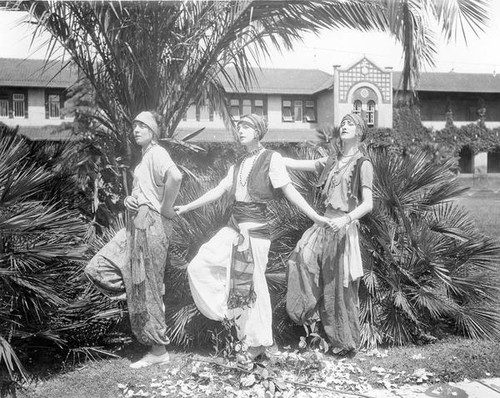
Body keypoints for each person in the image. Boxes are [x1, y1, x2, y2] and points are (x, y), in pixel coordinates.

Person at [174, 113, 330, 364]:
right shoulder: (238, 163)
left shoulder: (272, 158)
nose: (240, 130)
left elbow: (289, 190)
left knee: (253, 287)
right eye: (238, 127)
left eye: (246, 126)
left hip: (256, 232)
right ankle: (235, 324)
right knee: (199, 266)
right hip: (234, 229)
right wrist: (186, 207)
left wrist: (315, 216)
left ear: (258, 131)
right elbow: (218, 191)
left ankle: (256, 345)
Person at [85, 111, 182, 368]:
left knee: (147, 284)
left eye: (142, 125)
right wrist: (131, 200)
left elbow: (176, 176)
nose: (136, 129)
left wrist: (166, 207)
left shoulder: (158, 153)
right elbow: (147, 190)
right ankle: (139, 299)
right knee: (99, 267)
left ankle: (158, 349)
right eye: (134, 125)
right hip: (136, 221)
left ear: (153, 131)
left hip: (152, 224)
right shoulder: (146, 157)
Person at [284, 113, 373, 356]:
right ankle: (312, 331)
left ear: (360, 131)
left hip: (342, 228)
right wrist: (280, 161)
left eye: (350, 123)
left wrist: (345, 219)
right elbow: (309, 165)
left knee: (337, 286)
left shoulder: (362, 163)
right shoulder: (334, 159)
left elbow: (368, 204)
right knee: (299, 261)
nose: (344, 126)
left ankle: (345, 342)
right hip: (322, 224)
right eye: (343, 123)